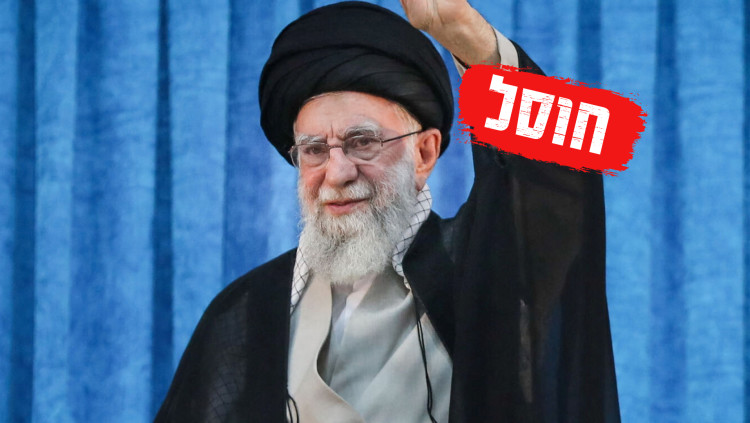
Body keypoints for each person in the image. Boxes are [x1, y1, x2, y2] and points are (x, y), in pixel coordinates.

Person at [154, 1, 620, 422]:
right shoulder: (247, 309)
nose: (337, 173)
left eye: (362, 142)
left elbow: (561, 180)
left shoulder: (484, 270)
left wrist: (474, 44)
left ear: (425, 153)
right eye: (314, 150)